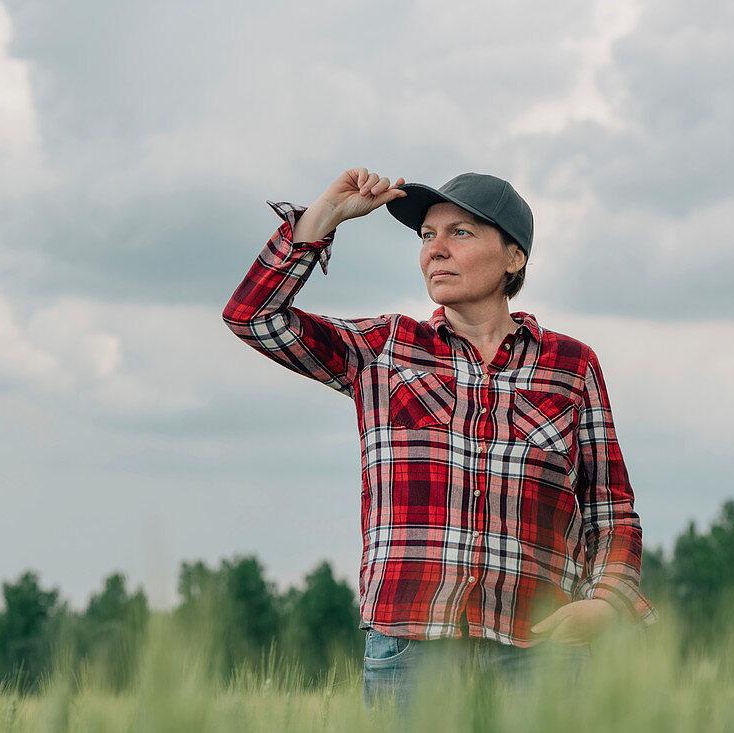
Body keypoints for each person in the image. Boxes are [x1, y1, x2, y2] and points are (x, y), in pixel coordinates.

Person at [221, 168, 657, 711]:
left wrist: (607, 603)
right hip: (410, 649)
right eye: (428, 236)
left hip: (540, 648)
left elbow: (610, 508)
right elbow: (253, 317)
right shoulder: (384, 349)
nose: (436, 251)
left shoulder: (570, 366)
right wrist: (322, 220)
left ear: (514, 257)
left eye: (461, 233)